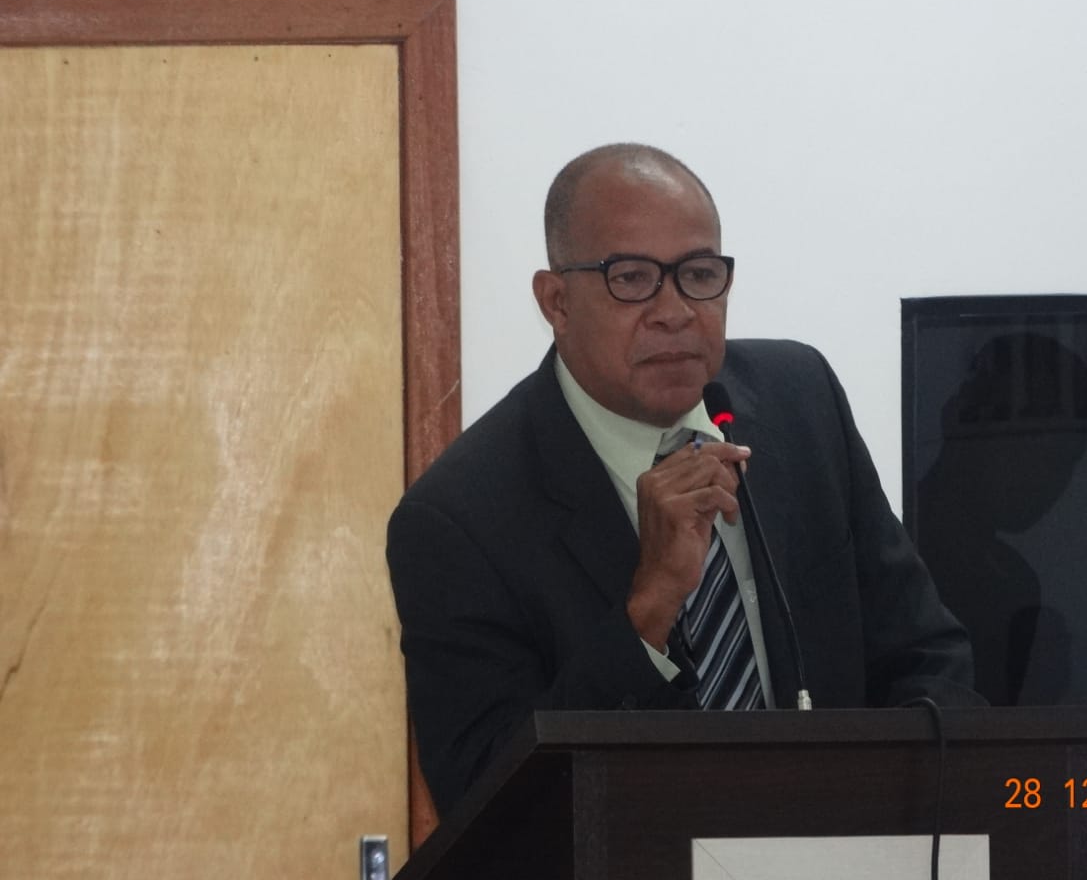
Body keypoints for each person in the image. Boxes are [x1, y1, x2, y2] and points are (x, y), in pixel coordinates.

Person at [386, 143, 980, 819]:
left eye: (699, 274)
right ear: (556, 301)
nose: (674, 311)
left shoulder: (800, 400)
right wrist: (648, 609)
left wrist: (904, 817)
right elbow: (487, 806)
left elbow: (926, 653)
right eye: (631, 277)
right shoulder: (458, 521)